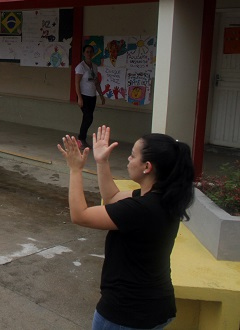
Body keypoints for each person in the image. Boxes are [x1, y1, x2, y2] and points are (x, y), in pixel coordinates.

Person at [57, 125, 195, 330]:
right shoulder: (163, 198)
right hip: (155, 306)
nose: (128, 160)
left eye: (132, 156)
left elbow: (80, 216)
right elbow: (112, 198)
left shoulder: (141, 210)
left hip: (126, 314)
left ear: (147, 167)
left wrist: (75, 169)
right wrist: (102, 161)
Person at [75, 44, 105, 149]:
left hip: (92, 96)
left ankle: (82, 139)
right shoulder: (81, 67)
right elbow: (77, 83)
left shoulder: (94, 67)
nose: (89, 54)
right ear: (84, 53)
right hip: (84, 96)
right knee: (88, 117)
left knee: (88, 118)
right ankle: (80, 139)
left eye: (91, 52)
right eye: (87, 51)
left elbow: (96, 83)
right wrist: (79, 97)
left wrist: (101, 95)